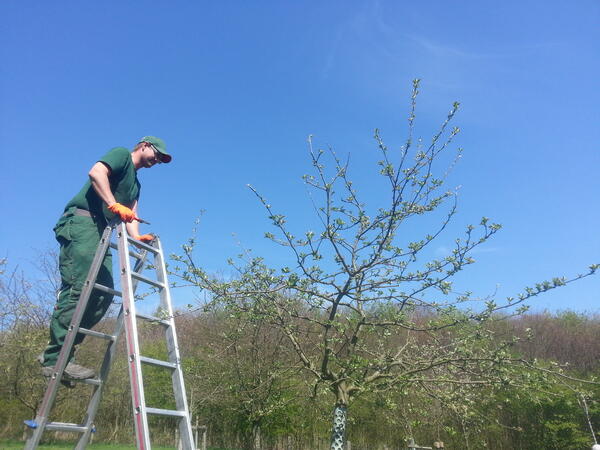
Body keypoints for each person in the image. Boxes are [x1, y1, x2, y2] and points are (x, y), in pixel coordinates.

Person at [40, 136, 172, 381]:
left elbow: (130, 211)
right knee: (80, 288)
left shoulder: (136, 185)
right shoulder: (122, 154)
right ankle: (54, 358)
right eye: (157, 154)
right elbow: (96, 172)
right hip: (82, 222)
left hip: (101, 230)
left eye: (162, 160)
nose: (157, 160)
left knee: (103, 294)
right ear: (144, 145)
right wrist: (112, 204)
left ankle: (65, 352)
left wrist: (138, 236)